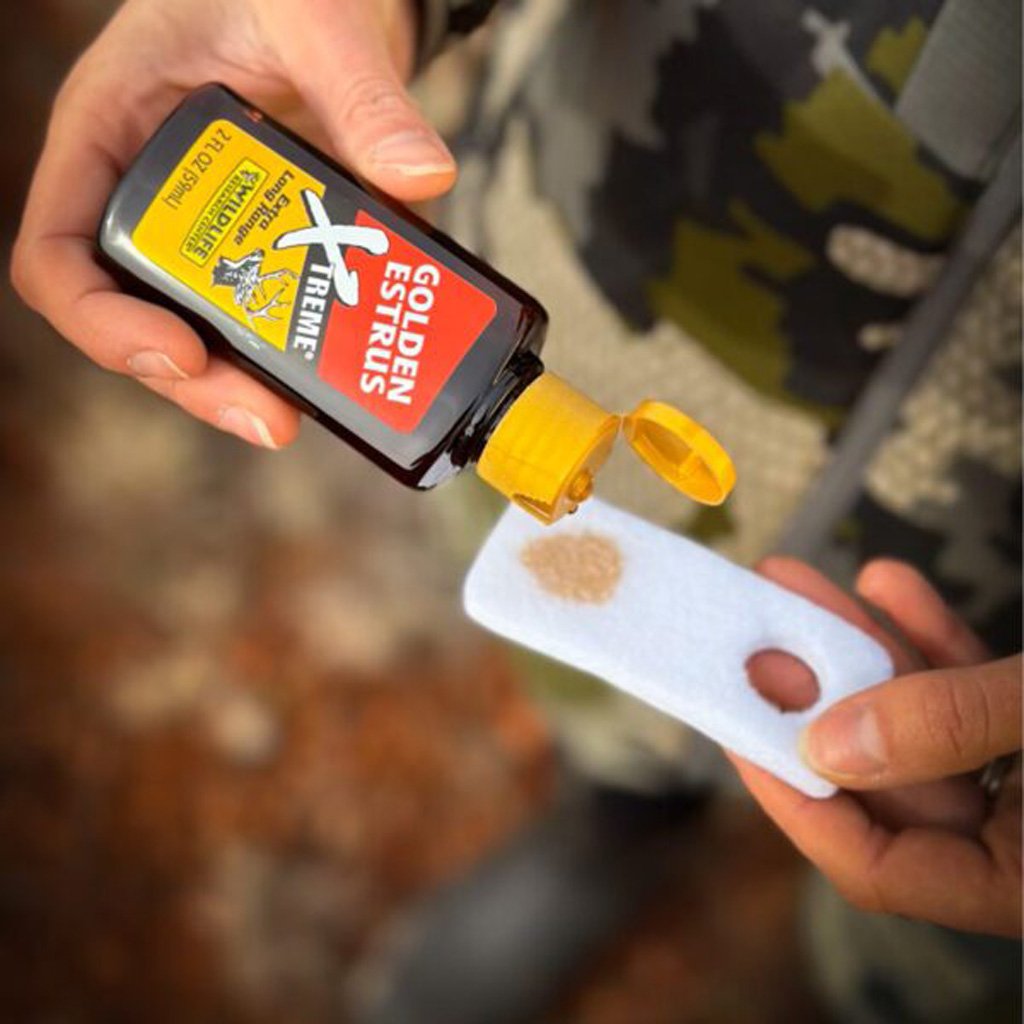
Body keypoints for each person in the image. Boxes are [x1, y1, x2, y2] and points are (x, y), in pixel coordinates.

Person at [12, 1, 1022, 1021]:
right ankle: (616, 817)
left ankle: (894, 975)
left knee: (937, 888)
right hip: (627, 238)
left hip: (978, 582)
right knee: (588, 670)